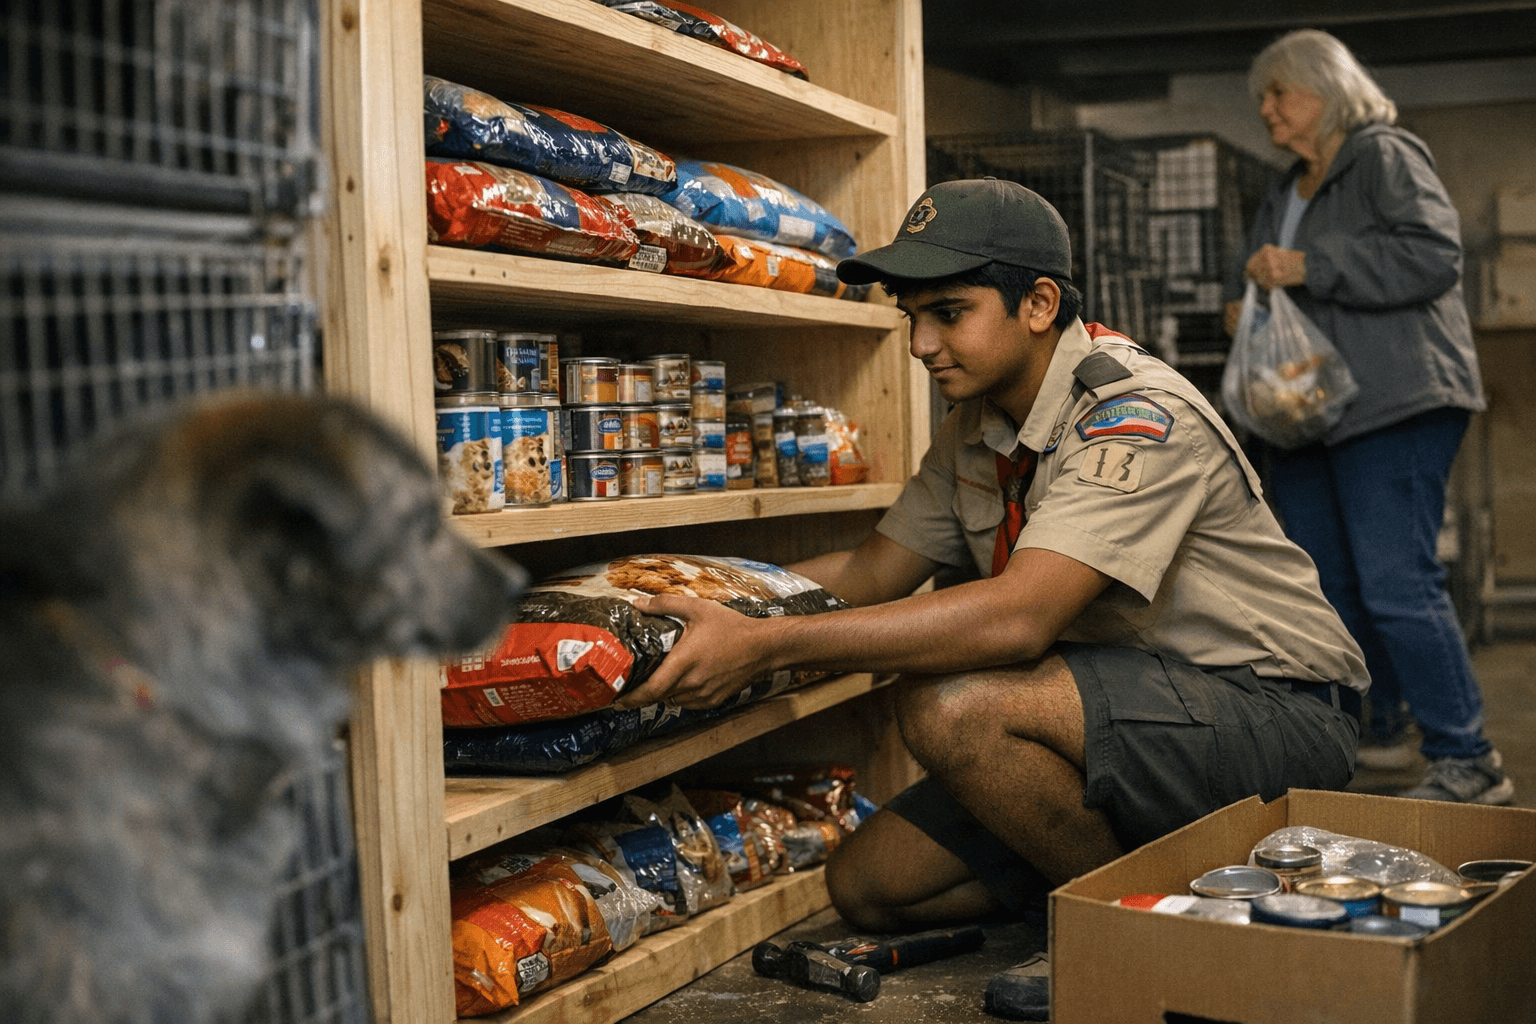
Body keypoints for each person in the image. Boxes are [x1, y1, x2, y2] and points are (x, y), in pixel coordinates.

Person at [616, 177, 1368, 1013]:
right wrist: (696, 594)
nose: (920, 344)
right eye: (912, 316)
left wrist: (766, 647)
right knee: (870, 887)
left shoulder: (1133, 414)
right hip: (1118, 717)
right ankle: (1184, 875)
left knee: (953, 705)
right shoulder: (980, 425)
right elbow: (872, 573)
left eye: (949, 312)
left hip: (1272, 712)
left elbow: (1016, 620)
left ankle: (1131, 931)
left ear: (1039, 303)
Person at [1222, 29, 1507, 804]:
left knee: (1396, 585)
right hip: (1311, 416)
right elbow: (1266, 278)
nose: (1268, 111)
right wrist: (1246, 306)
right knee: (1327, 589)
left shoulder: (1383, 155)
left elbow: (1433, 254)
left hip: (1397, 401)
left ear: (1326, 87)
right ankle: (1378, 731)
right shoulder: (1286, 189)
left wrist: (1314, 267)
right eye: (1262, 100)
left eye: (1279, 93)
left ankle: (1467, 758)